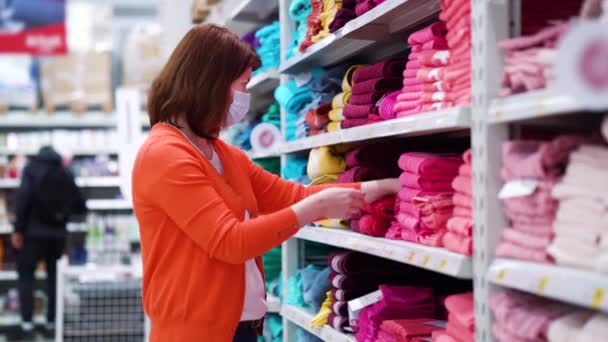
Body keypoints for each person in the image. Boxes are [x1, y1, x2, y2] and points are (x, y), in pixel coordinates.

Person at [132, 24, 401, 342]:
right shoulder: (164, 155)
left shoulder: (224, 155)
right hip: (193, 332)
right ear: (211, 83)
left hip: (238, 328)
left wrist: (383, 187)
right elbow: (229, 242)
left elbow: (293, 194)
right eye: (243, 85)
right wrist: (311, 209)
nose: (245, 96)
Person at [11, 146, 87, 340]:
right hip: (57, 236)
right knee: (54, 280)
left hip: (32, 235)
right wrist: (63, 216)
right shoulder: (65, 172)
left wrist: (18, 229)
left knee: (26, 277)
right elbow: (80, 204)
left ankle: (27, 326)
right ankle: (51, 324)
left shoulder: (31, 170)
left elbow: (23, 200)